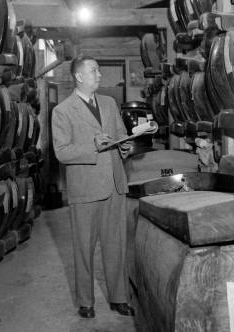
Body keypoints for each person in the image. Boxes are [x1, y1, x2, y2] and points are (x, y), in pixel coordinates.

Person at [51, 54, 135, 319]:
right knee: (83, 249)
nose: (99, 75)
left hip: (113, 184)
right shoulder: (62, 111)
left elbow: (121, 134)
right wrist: (92, 146)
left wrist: (126, 146)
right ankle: (86, 302)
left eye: (99, 70)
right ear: (78, 76)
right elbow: (62, 152)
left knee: (116, 245)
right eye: (94, 71)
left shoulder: (109, 103)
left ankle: (118, 297)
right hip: (85, 189)